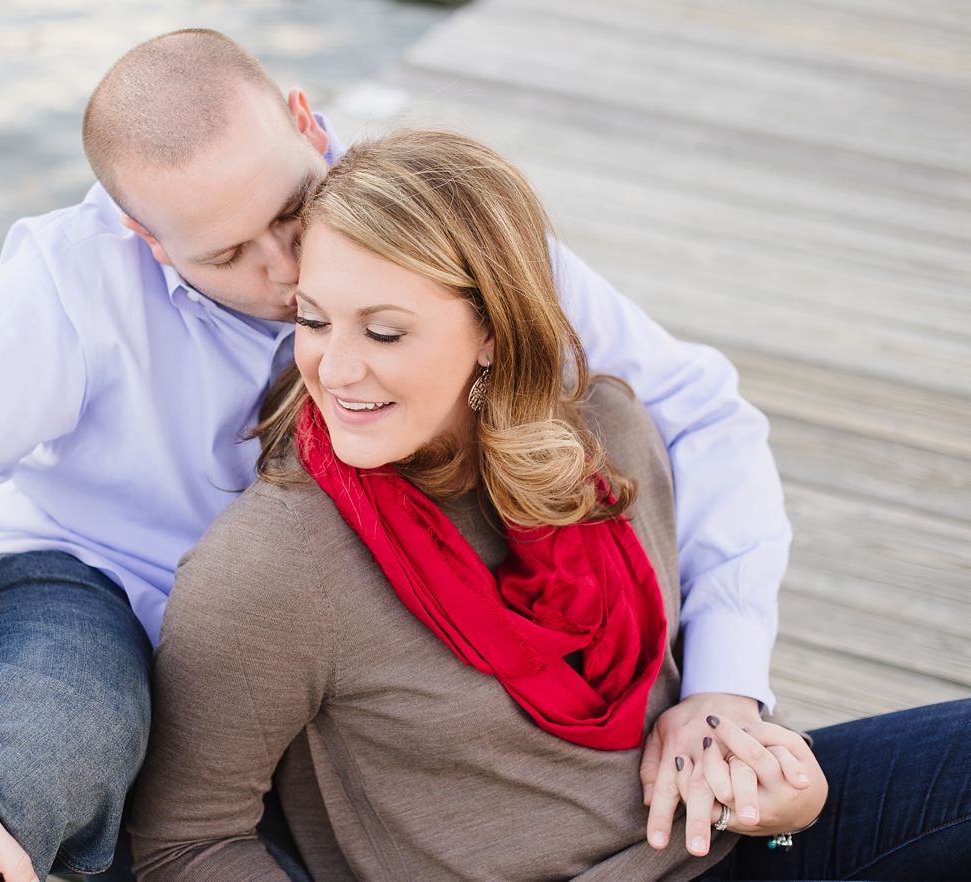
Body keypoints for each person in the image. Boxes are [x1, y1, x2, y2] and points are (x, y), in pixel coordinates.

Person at [0, 30, 790, 882]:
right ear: (141, 236)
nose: (292, 278)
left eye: (293, 214)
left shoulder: (421, 223)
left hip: (306, 643)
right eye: (229, 255)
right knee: (67, 734)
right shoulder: (70, 287)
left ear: (305, 120)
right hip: (93, 587)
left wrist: (725, 685)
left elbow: (692, 406)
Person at [126, 129, 971, 882]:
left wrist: (773, 798)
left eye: (383, 332)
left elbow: (704, 741)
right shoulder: (272, 568)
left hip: (728, 845)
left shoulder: (607, 438)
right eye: (312, 321)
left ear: (493, 329)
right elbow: (182, 841)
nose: (335, 371)